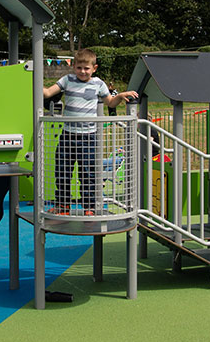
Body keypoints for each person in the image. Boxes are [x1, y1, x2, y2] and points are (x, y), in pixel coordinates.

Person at [41, 48, 138, 216]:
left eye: (86, 68)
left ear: (94, 68)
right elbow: (48, 92)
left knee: (88, 173)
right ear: (74, 67)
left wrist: (121, 95)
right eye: (79, 67)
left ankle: (89, 207)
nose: (82, 71)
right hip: (68, 135)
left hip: (89, 136)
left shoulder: (98, 84)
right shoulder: (67, 80)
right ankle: (63, 205)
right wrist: (31, 79)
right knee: (62, 171)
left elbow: (110, 103)